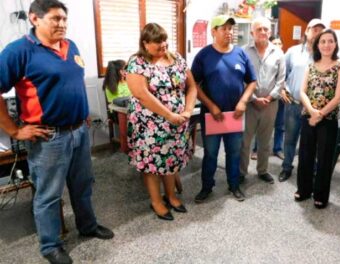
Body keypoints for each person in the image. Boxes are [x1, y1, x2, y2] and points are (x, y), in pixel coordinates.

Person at [0, 1, 114, 263]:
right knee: (49, 194)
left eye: (64, 19)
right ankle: (50, 245)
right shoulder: (18, 51)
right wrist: (15, 131)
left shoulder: (70, 45)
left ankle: (87, 226)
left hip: (79, 131)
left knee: (83, 185)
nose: (62, 24)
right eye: (55, 19)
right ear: (34, 19)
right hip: (48, 137)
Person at [126, 23, 197, 221]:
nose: (163, 44)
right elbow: (141, 94)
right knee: (152, 164)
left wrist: (188, 110)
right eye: (157, 41)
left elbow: (191, 87)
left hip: (177, 123)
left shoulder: (177, 58)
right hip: (150, 125)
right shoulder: (137, 62)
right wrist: (169, 115)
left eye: (165, 40)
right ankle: (156, 201)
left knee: (171, 161)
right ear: (145, 43)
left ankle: (171, 196)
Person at [191, 15, 257, 203]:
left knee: (234, 152)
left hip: (234, 115)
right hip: (212, 116)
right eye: (224, 28)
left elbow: (252, 81)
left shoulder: (240, 54)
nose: (229, 32)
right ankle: (206, 187)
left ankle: (234, 185)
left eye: (231, 29)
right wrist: (210, 105)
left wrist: (243, 101)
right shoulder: (204, 55)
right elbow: (193, 84)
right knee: (210, 153)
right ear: (214, 31)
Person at [297, 29, 340, 209]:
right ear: (318, 45)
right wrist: (311, 111)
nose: (326, 45)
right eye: (323, 42)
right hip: (308, 117)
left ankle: (320, 195)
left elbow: (338, 97)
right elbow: (302, 91)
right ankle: (303, 189)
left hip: (328, 120)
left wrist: (320, 114)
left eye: (330, 41)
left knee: (324, 159)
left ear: (335, 44)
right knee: (305, 155)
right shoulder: (310, 66)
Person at [278, 18, 326, 183]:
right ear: (306, 31)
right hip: (293, 104)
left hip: (313, 109)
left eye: (321, 29)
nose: (317, 32)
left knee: (311, 142)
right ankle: (286, 168)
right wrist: (282, 89)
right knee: (290, 139)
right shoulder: (292, 52)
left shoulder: (325, 55)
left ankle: (309, 170)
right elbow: (281, 74)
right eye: (314, 29)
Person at [240, 17, 286, 184]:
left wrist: (269, 97)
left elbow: (281, 80)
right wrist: (253, 98)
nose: (263, 32)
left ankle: (262, 170)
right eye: (259, 29)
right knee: (245, 141)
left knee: (265, 141)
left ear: (270, 31)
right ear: (252, 32)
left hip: (270, 104)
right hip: (249, 104)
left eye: (266, 29)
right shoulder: (243, 52)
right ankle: (241, 172)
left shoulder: (278, 53)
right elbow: (241, 78)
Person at [251, 35, 286, 161]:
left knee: (280, 126)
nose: (277, 45)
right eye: (274, 43)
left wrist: (281, 92)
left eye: (279, 43)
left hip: (279, 98)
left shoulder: (282, 56)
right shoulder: (260, 55)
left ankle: (277, 149)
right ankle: (255, 149)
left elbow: (283, 78)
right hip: (260, 99)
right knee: (259, 126)